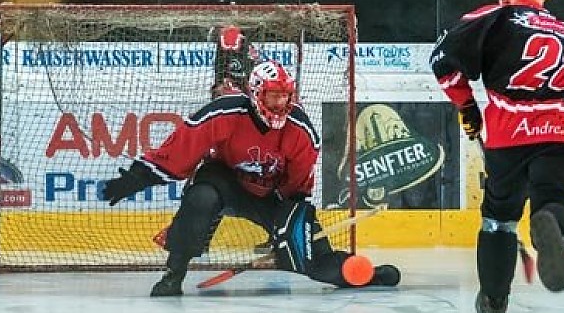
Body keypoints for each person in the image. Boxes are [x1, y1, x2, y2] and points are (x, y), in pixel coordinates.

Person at [103, 60, 401, 296]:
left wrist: (288, 227)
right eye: (273, 96)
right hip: (225, 182)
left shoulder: (301, 132)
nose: (279, 104)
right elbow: (183, 148)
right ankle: (174, 273)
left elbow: (297, 187)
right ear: (256, 93)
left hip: (271, 196)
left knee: (305, 252)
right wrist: (138, 177)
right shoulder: (224, 112)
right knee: (201, 196)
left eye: (285, 97)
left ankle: (363, 273)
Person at [429, 0, 564, 313]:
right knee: (555, 200)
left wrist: (467, 108)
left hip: (512, 134)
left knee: (499, 221)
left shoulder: (494, 16)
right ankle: (549, 219)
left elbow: (442, 59)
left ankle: (494, 303)